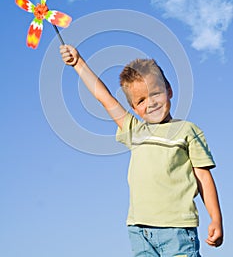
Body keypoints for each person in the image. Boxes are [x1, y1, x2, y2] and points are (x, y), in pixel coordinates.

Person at [60, 44, 223, 257]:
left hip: (177, 229)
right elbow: (105, 98)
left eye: (156, 93)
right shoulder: (134, 131)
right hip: (139, 230)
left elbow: (203, 176)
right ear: (134, 108)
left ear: (169, 90)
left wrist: (216, 218)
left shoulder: (187, 130)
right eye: (141, 100)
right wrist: (78, 62)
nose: (151, 103)